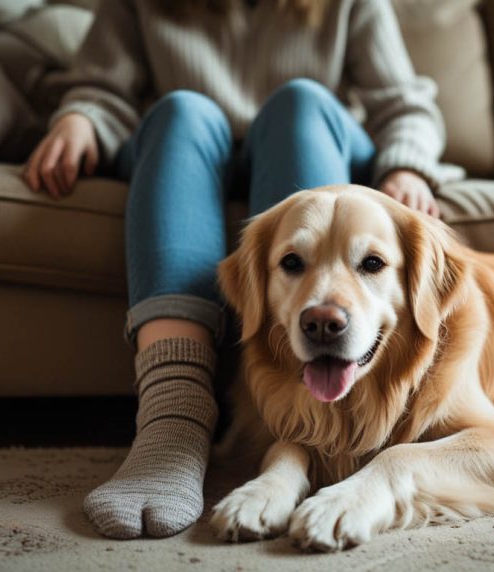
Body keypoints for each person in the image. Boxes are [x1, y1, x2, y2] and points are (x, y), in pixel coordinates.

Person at [22, 0, 453, 539]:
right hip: (190, 154)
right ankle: (173, 417)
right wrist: (81, 118)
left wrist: (407, 166)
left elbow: (406, 106)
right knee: (182, 109)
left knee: (300, 101)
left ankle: (311, 436)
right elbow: (100, 87)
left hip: (305, 145)